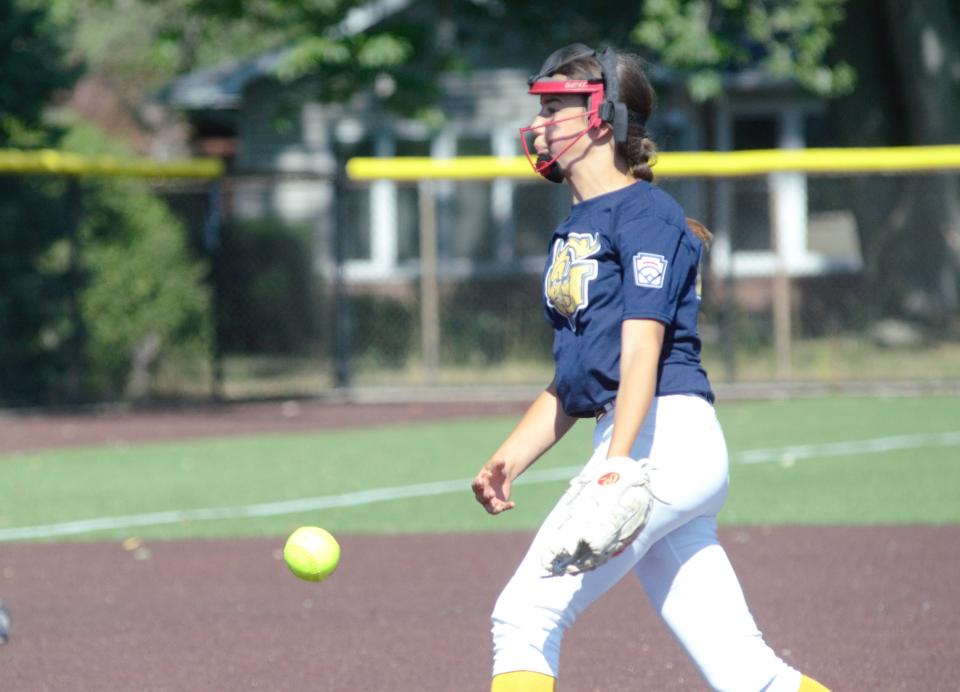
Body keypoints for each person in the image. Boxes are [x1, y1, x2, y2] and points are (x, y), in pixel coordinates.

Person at [470, 44, 829, 692]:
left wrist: (618, 462)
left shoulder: (646, 213)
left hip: (663, 439)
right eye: (542, 108)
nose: (543, 121)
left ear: (603, 115)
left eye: (560, 107)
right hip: (651, 441)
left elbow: (642, 349)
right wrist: (510, 457)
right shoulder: (579, 225)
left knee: (523, 618)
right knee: (746, 672)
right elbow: (576, 378)